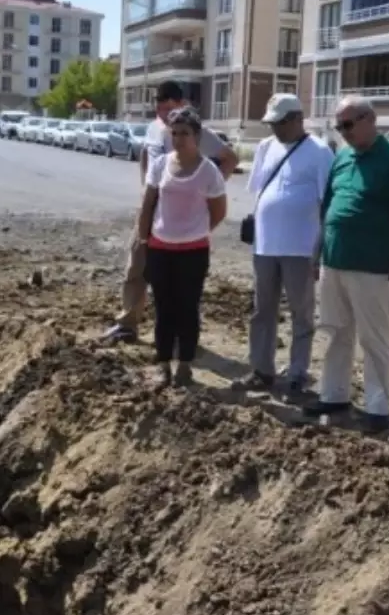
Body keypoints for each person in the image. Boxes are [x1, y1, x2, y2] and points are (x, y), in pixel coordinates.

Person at [303, 95, 389, 433]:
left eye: (349, 124)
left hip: (372, 265)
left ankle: (377, 407)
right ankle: (334, 395)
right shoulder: (341, 158)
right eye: (339, 127)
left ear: (370, 118)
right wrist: (316, 254)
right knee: (336, 331)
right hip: (335, 261)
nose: (344, 132)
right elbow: (328, 210)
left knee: (374, 338)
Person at [103, 80, 238, 344]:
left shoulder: (196, 132)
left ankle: (180, 335)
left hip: (180, 221)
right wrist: (147, 188)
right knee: (136, 268)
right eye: (160, 108)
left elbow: (230, 158)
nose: (164, 114)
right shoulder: (155, 129)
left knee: (178, 281)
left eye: (169, 108)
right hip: (151, 213)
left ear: (182, 105)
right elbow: (146, 154)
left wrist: (205, 192)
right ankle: (128, 323)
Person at [238, 93, 334, 396]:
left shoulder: (319, 152)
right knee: (262, 310)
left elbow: (326, 204)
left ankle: (296, 372)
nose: (275, 129)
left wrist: (319, 249)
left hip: (301, 247)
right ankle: (261, 369)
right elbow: (258, 190)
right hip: (265, 245)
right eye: (271, 123)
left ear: (297, 119)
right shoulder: (266, 147)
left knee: (301, 313)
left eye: (280, 123)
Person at [135, 106, 228, 387]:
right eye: (174, 133)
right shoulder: (161, 164)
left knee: (188, 308)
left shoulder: (208, 170)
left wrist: (196, 232)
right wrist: (143, 240)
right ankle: (162, 364)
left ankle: (185, 365)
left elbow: (219, 211)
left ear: (197, 136)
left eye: (184, 133)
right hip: (160, 248)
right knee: (164, 308)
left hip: (193, 252)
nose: (178, 139)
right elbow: (148, 204)